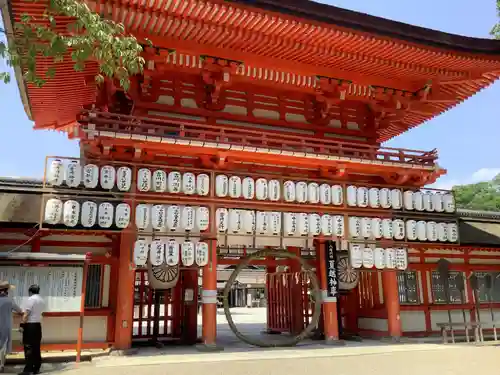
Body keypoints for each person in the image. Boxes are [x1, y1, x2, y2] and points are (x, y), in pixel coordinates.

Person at [19, 285, 45, 375]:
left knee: (28, 347)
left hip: (30, 326)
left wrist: (22, 325)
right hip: (38, 326)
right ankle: (36, 368)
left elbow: (26, 314)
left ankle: (28, 370)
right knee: (36, 347)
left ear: (30, 291)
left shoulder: (31, 299)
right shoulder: (42, 300)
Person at [0, 281, 23, 373]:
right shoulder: (10, 300)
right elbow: (19, 310)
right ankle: (1, 365)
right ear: (7, 291)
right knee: (3, 346)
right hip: (5, 326)